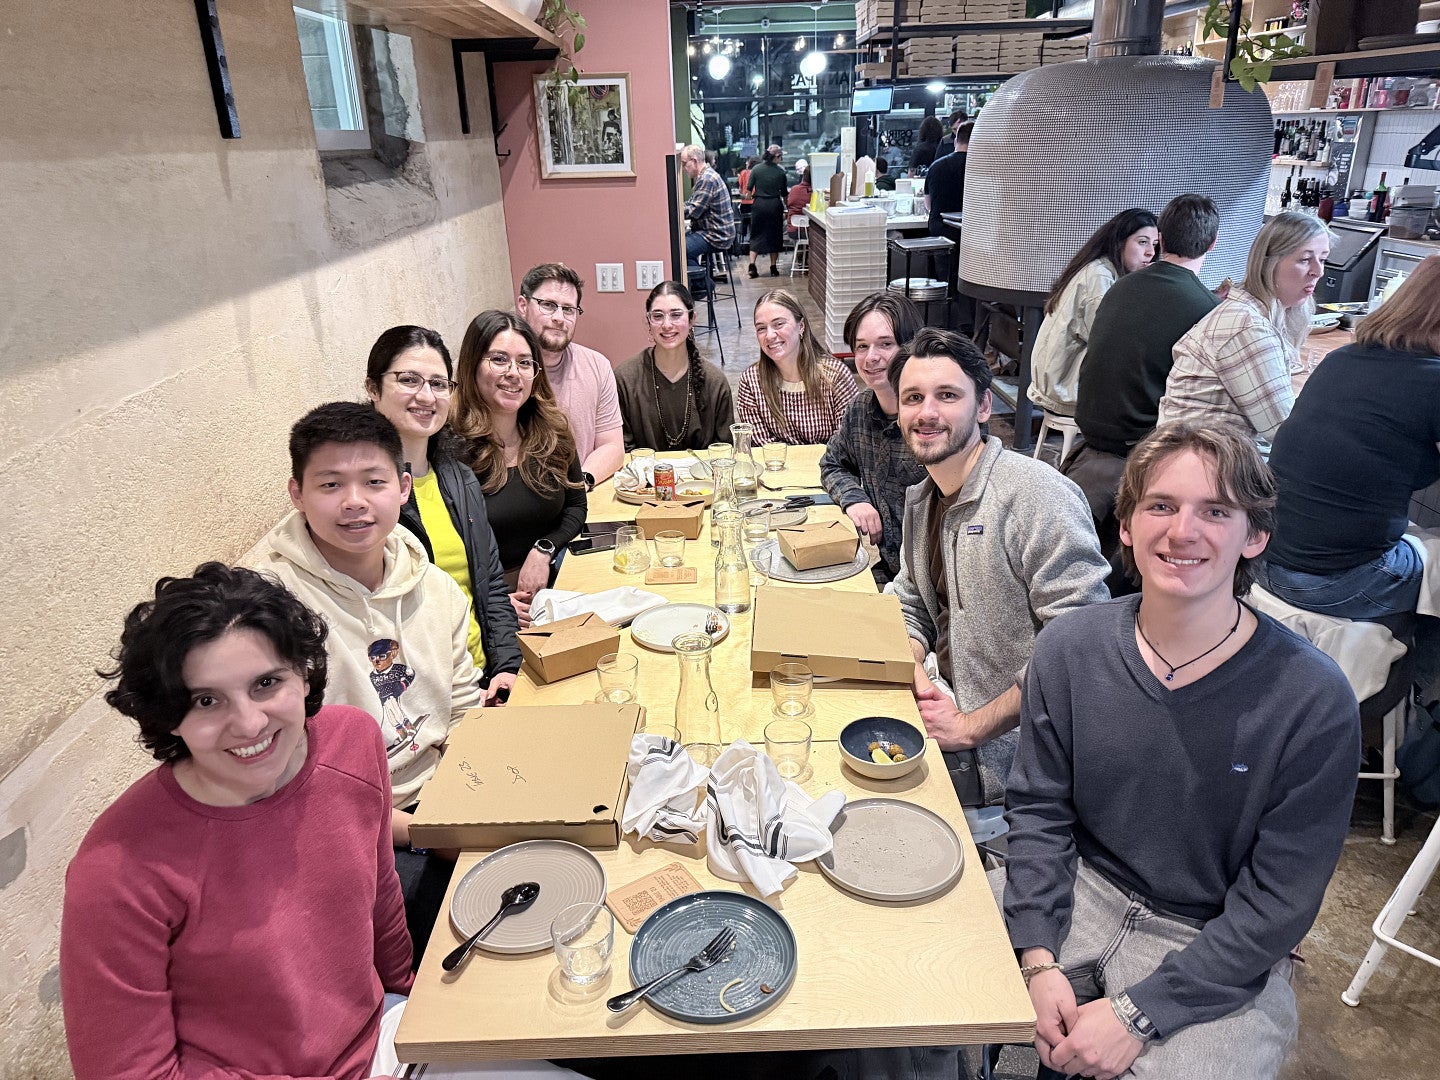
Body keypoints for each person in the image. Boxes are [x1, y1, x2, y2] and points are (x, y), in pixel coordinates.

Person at [1001, 421, 1359, 1080]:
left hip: (1210, 939)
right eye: (1161, 505)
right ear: (1128, 527)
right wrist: (1037, 957)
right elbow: (1039, 811)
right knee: (927, 991)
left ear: (1255, 535)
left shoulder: (1313, 700)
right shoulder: (1070, 648)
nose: (1183, 531)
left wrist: (1142, 1014)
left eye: (1215, 511)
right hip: (1080, 887)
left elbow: (1277, 904)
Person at [62, 563, 415, 1080]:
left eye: (266, 683)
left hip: (386, 1038)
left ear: (304, 673)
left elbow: (381, 893)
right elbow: (129, 1072)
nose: (248, 724)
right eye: (207, 701)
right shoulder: (116, 872)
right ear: (166, 714)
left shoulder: (352, 741)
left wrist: (411, 996)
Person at [250, 401, 482, 959]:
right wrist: (425, 833)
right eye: (330, 484)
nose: (354, 502)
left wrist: (475, 800)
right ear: (296, 492)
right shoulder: (268, 609)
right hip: (347, 831)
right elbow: (286, 776)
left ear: (402, 488)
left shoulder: (435, 588)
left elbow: (464, 709)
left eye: (372, 481)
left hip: (447, 799)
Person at [890, 328, 1110, 806]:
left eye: (947, 396)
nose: (927, 413)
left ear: (984, 407)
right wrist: (910, 667)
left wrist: (971, 727)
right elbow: (911, 600)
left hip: (1011, 754)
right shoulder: (924, 498)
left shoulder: (1035, 496)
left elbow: (1083, 648)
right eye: (913, 398)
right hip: (943, 703)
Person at [1264, 257, 1440, 640]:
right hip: (1333, 584)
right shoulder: (1434, 381)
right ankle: (1419, 678)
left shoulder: (1341, 358)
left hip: (1263, 559)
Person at [365, 325, 521, 704]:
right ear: (373, 389)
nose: (425, 396)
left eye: (438, 384)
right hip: (429, 697)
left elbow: (491, 586)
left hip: (484, 680)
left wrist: (507, 666)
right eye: (408, 380)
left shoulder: (459, 477)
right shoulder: (367, 498)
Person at [1068, 193, 1221, 574]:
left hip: (1088, 433)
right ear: (1213, 245)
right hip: (1139, 445)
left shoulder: (1121, 286)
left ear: (1161, 242)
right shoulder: (1208, 309)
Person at [452, 310, 587, 629]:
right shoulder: (449, 448)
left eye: (525, 362)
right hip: (481, 612)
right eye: (499, 359)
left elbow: (577, 505)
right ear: (472, 365)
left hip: (556, 590)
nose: (514, 373)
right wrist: (490, 604)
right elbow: (442, 556)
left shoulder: (553, 431)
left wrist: (545, 549)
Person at [1159, 211, 1330, 454]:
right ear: (1268, 262)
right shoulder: (1247, 327)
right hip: (1203, 470)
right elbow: (1284, 434)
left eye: (1323, 259)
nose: (1318, 271)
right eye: (1305, 259)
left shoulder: (1251, 313)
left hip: (1207, 459)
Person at [819, 292, 928, 585]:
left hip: (936, 587)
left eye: (885, 344)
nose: (871, 358)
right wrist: (855, 500)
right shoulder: (861, 409)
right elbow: (833, 464)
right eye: (862, 347)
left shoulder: (931, 422)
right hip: (889, 572)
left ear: (911, 346)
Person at [1028, 208, 1160, 418]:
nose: (1150, 253)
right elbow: (1109, 342)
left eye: (1154, 245)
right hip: (1064, 386)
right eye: (1142, 242)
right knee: (1154, 396)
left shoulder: (1103, 269)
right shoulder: (1100, 276)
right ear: (1119, 241)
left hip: (1059, 378)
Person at [516, 262, 624, 488]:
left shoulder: (597, 366)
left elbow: (612, 447)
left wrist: (580, 484)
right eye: (548, 305)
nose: (559, 317)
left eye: (568, 309)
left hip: (584, 499)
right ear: (523, 305)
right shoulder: (507, 372)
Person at [615, 281, 735, 451]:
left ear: (692, 319)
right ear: (649, 321)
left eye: (676, 315)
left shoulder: (715, 382)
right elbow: (622, 448)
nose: (666, 325)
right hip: (642, 476)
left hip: (703, 476)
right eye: (657, 316)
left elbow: (725, 450)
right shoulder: (625, 379)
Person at [736, 288, 859, 444]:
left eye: (778, 324)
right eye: (761, 328)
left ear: (801, 326)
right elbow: (761, 446)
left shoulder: (835, 375)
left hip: (830, 468)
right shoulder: (751, 382)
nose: (769, 335)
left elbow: (847, 441)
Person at [680, 143, 737, 273]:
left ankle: (703, 287)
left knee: (679, 251)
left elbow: (693, 211)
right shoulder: (707, 175)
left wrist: (672, 209)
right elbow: (692, 203)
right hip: (715, 232)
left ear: (694, 161)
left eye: (684, 164)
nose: (683, 168)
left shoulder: (707, 179)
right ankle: (703, 283)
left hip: (716, 235)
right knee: (680, 247)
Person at [746, 146, 788, 278]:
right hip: (774, 205)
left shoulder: (756, 169)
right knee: (774, 236)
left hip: (759, 205)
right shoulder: (780, 172)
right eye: (780, 157)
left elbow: (748, 192)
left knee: (756, 234)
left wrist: (752, 196)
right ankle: (773, 267)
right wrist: (787, 207)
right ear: (776, 157)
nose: (781, 159)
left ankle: (752, 266)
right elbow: (785, 194)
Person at [786, 167, 812, 239]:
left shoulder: (794, 189)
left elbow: (788, 205)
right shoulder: (816, 193)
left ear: (803, 176)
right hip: (810, 232)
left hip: (793, 231)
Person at [737, 154, 756, 249]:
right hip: (756, 203)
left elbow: (740, 188)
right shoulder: (757, 173)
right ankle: (754, 240)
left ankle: (743, 238)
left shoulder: (743, 173)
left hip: (745, 203)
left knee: (745, 220)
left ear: (750, 163)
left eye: (747, 162)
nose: (745, 163)